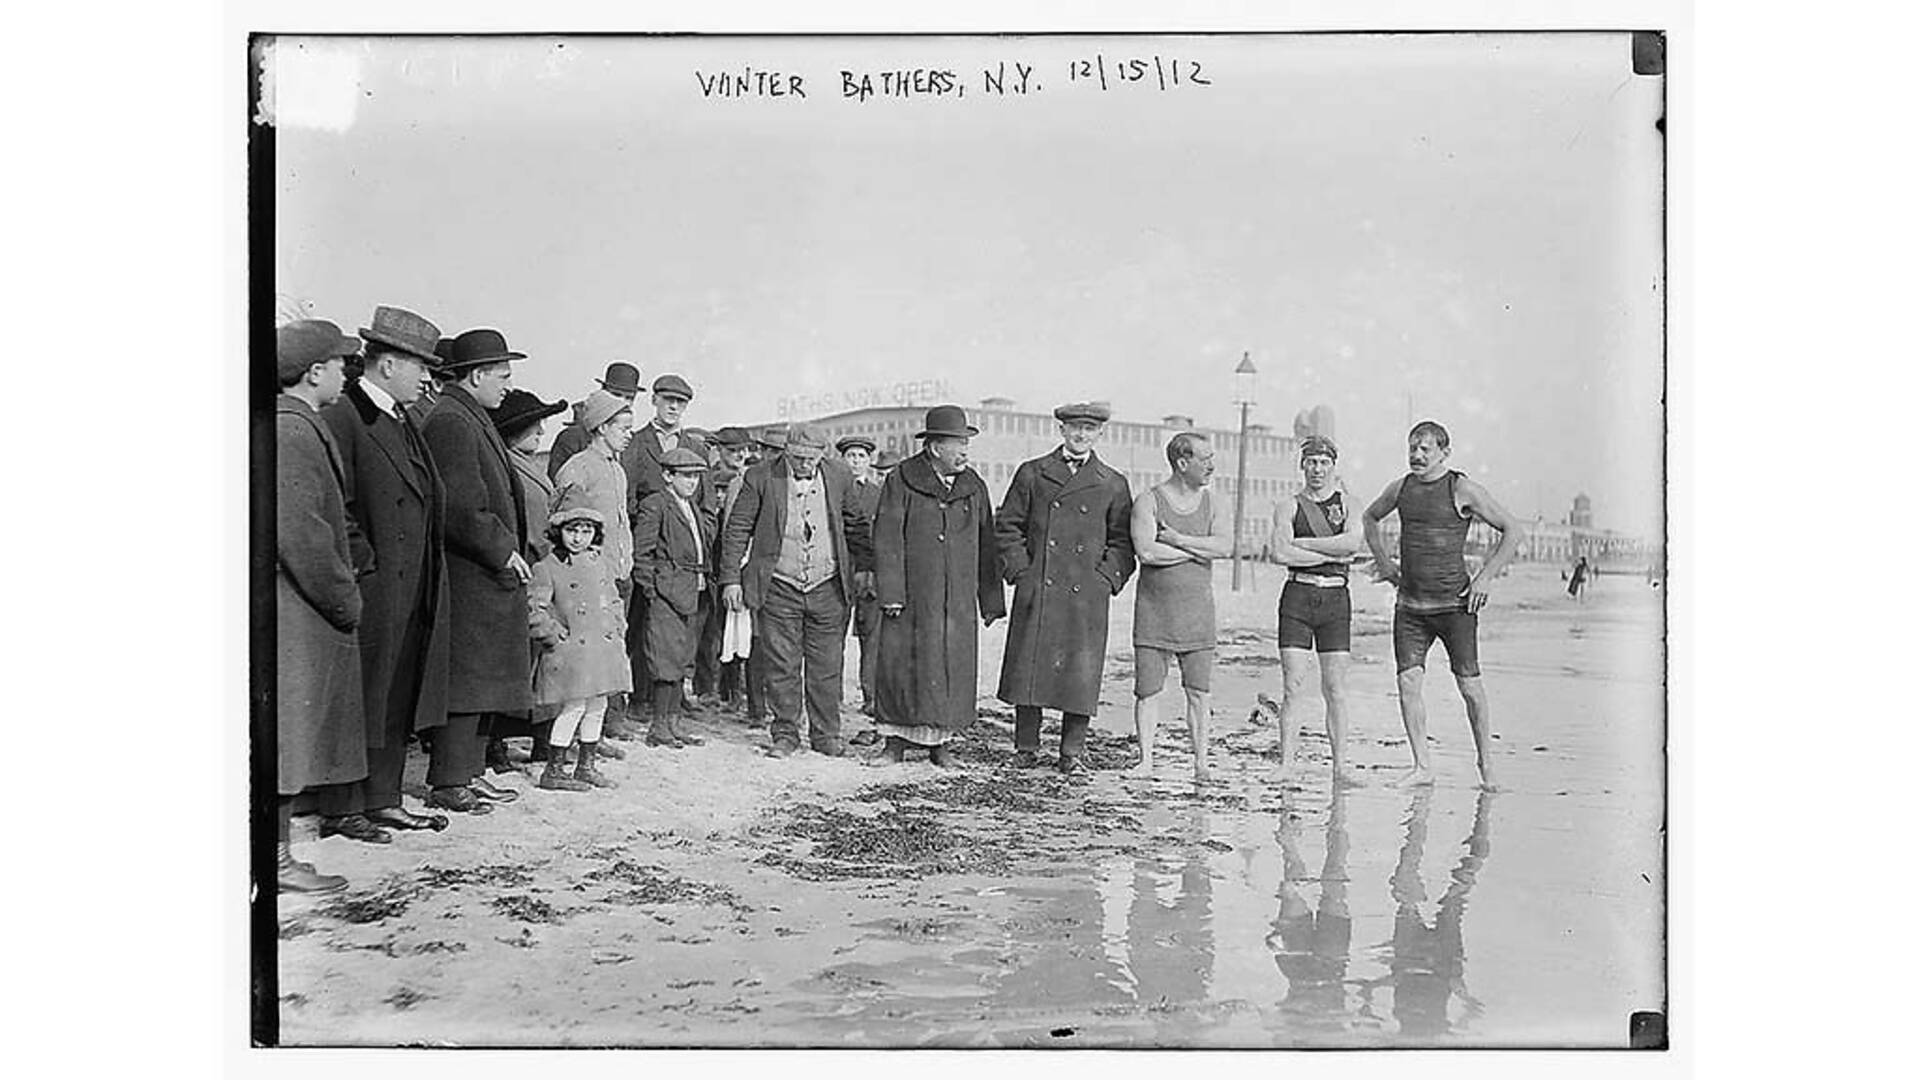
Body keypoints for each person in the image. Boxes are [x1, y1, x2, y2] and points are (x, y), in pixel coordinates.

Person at [316, 305, 455, 841]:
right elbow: (335, 502)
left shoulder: (401, 418)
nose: (426, 377)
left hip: (413, 583)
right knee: (363, 694)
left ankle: (383, 797)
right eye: (420, 366)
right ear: (388, 364)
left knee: (396, 690)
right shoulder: (345, 416)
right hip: (374, 587)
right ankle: (344, 807)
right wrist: (365, 566)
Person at [1361, 420, 1526, 790]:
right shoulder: (1401, 488)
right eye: (1412, 448)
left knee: (1469, 688)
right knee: (1407, 684)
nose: (1417, 455)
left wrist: (1484, 578)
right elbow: (1370, 517)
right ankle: (1422, 766)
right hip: (1411, 608)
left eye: (1425, 449)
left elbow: (1513, 530)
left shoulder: (1461, 487)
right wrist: (1385, 563)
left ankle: (1486, 763)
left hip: (1455, 607)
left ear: (1444, 453)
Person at [418, 327, 535, 812]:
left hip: (487, 573)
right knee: (467, 680)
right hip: (472, 574)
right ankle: (449, 780)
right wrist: (502, 548)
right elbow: (463, 506)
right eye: (502, 374)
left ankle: (468, 771)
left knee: (484, 678)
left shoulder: (468, 415)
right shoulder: (452, 421)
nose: (507, 384)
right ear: (478, 374)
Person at [273, 319, 369, 892]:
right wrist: (343, 597)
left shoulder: (300, 424)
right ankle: (276, 862)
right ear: (314, 372)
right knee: (286, 733)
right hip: (297, 610)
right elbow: (302, 533)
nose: (344, 372)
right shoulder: (292, 430)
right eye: (338, 364)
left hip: (299, 607)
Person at [994, 402, 1136, 772]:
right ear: (1061, 430)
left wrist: (1105, 579)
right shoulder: (1033, 473)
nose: (1082, 435)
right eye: (1075, 428)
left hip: (1085, 594)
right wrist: (1022, 571)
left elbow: (1123, 542)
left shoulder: (1112, 482)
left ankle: (1071, 750)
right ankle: (1026, 747)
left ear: (1100, 434)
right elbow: (1008, 526)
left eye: (1090, 429)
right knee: (1030, 666)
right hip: (1040, 585)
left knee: (1080, 670)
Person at [719, 422, 874, 758]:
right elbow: (737, 529)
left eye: (811, 457)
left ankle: (826, 734)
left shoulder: (839, 475)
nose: (804, 464)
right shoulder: (760, 477)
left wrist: (864, 567)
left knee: (827, 664)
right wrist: (731, 578)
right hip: (779, 585)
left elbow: (857, 524)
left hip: (828, 586)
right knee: (782, 664)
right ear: (787, 450)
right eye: (798, 456)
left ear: (823, 454)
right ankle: (785, 733)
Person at [872, 406, 1006, 765]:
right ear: (934, 448)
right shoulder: (902, 479)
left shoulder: (973, 484)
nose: (964, 451)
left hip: (957, 600)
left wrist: (990, 600)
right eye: (957, 443)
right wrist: (892, 593)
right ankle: (894, 745)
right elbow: (886, 538)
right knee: (903, 668)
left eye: (966, 443)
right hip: (913, 597)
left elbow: (986, 543)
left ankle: (940, 745)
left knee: (950, 669)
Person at [1130, 432, 1234, 781]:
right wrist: (1196, 550)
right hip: (1154, 612)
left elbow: (1224, 547)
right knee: (1147, 692)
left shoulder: (1215, 503)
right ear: (1182, 462)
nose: (1212, 465)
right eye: (1205, 459)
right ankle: (1145, 761)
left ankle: (1201, 762)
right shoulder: (1149, 500)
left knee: (1199, 692)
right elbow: (1146, 552)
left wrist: (1177, 539)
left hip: (1198, 613)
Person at [1269, 435, 1367, 787]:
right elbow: (1280, 553)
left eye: (1324, 463)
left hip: (1335, 601)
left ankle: (1340, 765)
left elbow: (1353, 543)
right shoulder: (1288, 507)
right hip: (1297, 597)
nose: (1317, 469)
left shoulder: (1350, 504)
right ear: (1302, 465)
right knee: (1293, 686)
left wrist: (1305, 544)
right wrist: (1332, 555)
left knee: (1335, 687)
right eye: (1311, 462)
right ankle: (1287, 764)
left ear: (1333, 466)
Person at [619, 374, 710, 723]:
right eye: (667, 400)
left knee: (680, 636)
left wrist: (695, 541)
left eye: (681, 402)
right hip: (650, 551)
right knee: (645, 628)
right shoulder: (636, 443)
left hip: (683, 558)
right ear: (653, 400)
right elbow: (628, 497)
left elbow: (705, 507)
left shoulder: (695, 447)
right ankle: (641, 698)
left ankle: (671, 705)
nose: (673, 407)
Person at [527, 507, 631, 792]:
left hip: (602, 647)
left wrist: (618, 627)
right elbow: (534, 609)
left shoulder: (600, 564)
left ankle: (586, 765)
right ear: (559, 532)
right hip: (571, 650)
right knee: (574, 706)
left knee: (598, 705)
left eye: (586, 531)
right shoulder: (547, 567)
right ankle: (554, 769)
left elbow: (613, 599)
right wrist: (553, 634)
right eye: (572, 530)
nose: (578, 538)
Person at [491, 388, 569, 766]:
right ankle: (496, 743)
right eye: (531, 425)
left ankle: (537, 737)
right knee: (519, 659)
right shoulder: (509, 467)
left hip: (540, 566)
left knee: (537, 658)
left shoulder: (528, 466)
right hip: (527, 564)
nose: (540, 430)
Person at [634, 448, 719, 748]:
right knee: (665, 658)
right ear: (668, 476)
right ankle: (659, 725)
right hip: (667, 592)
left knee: (682, 657)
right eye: (686, 475)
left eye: (696, 476)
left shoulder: (690, 506)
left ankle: (673, 722)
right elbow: (642, 553)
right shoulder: (656, 504)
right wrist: (653, 590)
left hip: (692, 590)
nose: (693, 482)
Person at [707, 427, 759, 715]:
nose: (740, 456)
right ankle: (722, 689)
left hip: (737, 563)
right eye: (733, 451)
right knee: (718, 630)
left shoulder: (748, 479)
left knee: (742, 628)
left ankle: (738, 693)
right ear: (720, 451)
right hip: (716, 561)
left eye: (743, 451)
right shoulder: (710, 478)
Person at [837, 434, 885, 719]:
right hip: (840, 569)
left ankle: (871, 696)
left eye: (861, 456)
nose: (855, 461)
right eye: (850, 456)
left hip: (869, 572)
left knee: (871, 636)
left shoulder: (879, 494)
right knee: (834, 636)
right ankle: (833, 696)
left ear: (869, 461)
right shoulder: (834, 489)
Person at [547, 362, 643, 481]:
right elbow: (559, 485)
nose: (622, 402)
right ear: (602, 392)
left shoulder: (633, 443)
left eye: (629, 398)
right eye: (616, 395)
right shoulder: (572, 438)